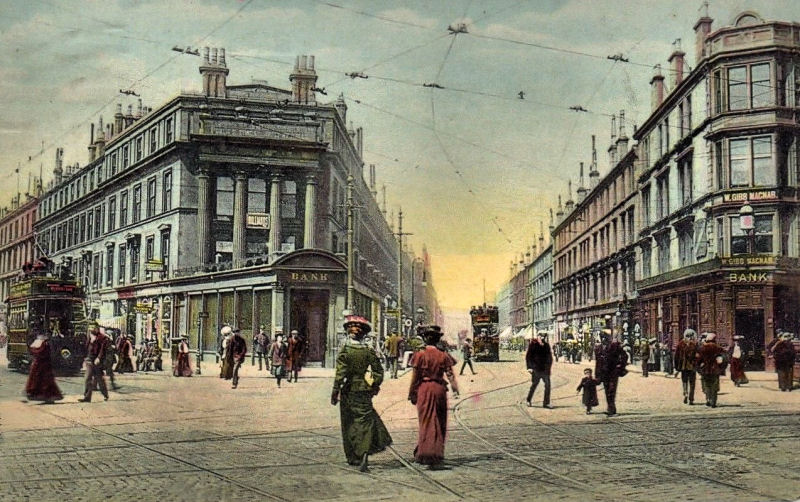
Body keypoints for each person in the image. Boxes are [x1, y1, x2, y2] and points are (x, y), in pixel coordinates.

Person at [331, 315, 392, 472]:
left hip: (349, 391)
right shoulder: (368, 351)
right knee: (364, 422)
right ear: (363, 334)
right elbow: (378, 371)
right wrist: (374, 386)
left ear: (348, 333)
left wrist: (335, 391)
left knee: (349, 422)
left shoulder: (346, 351)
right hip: (364, 391)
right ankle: (364, 455)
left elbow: (341, 373)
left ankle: (353, 456)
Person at [408, 325, 459, 469]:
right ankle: (437, 452)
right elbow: (450, 374)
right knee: (440, 419)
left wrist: (412, 393)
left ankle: (426, 452)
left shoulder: (420, 354)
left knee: (426, 420)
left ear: (424, 338)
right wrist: (455, 389)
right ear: (438, 339)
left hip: (424, 389)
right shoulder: (443, 355)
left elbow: (415, 377)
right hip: (439, 389)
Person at [594, 333, 627, 416]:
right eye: (602, 339)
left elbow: (624, 356)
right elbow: (598, 363)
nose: (604, 340)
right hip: (604, 373)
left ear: (609, 339)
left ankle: (611, 409)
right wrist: (597, 376)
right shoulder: (599, 349)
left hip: (613, 372)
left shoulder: (615, 347)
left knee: (611, 390)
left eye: (605, 339)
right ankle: (610, 407)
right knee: (606, 390)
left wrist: (620, 366)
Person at [25, 332, 63, 403]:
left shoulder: (44, 344)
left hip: (42, 365)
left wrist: (32, 350)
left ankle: (47, 396)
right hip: (42, 365)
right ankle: (47, 397)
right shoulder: (44, 343)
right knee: (44, 382)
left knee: (43, 382)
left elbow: (40, 352)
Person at [79, 324, 110, 403]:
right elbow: (87, 347)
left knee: (100, 379)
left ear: (97, 328)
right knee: (87, 378)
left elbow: (102, 349)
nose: (92, 329)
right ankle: (87, 397)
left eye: (93, 328)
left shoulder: (102, 337)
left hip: (97, 361)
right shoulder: (90, 336)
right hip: (90, 359)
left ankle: (105, 395)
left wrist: (99, 358)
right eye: (90, 328)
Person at [696, 332, 727, 408]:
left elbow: (698, 360)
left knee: (707, 385)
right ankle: (713, 401)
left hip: (705, 370)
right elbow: (725, 359)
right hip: (715, 370)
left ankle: (708, 399)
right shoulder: (718, 348)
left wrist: (699, 369)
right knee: (714, 386)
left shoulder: (702, 348)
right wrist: (722, 368)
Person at [525, 334, 553, 408]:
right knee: (534, 385)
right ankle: (528, 400)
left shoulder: (546, 345)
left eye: (544, 337)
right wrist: (529, 367)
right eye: (540, 337)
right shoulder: (533, 345)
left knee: (548, 386)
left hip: (545, 370)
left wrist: (549, 368)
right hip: (536, 369)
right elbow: (528, 357)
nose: (542, 338)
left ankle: (546, 403)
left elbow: (549, 357)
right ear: (538, 337)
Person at [674, 329, 699, 404]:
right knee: (692, 383)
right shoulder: (694, 344)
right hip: (692, 367)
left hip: (683, 367)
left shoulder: (680, 344)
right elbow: (697, 356)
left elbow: (676, 357)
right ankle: (691, 398)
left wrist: (677, 368)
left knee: (684, 381)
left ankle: (685, 393)